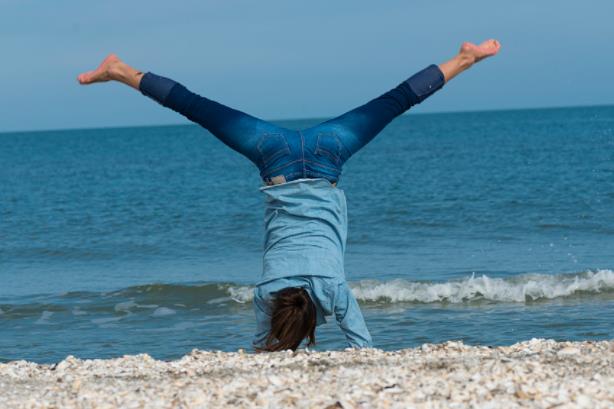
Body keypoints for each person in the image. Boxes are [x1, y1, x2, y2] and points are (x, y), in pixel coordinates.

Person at [77, 39, 501, 352]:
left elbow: (363, 345)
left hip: (328, 155)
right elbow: (262, 342)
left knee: (393, 103)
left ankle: (465, 58)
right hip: (274, 158)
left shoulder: (333, 290)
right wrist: (271, 347)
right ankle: (120, 71)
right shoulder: (265, 293)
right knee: (197, 107)